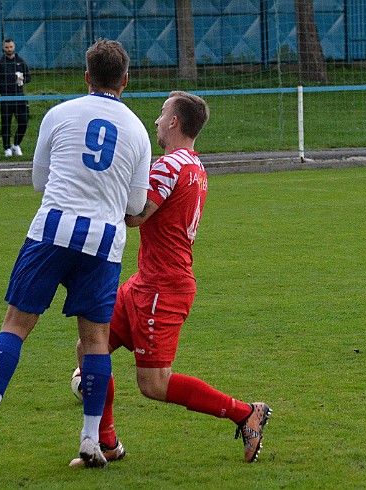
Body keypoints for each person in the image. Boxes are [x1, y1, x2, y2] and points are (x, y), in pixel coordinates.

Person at [0, 39, 152, 469]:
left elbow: (39, 182)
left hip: (52, 229)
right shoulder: (138, 130)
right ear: (125, 80)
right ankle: (89, 440)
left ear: (86, 77)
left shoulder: (59, 114)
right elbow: (136, 207)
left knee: (16, 324)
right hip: (103, 241)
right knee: (95, 342)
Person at [70, 91, 271, 467]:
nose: (157, 121)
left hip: (163, 289)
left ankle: (246, 412)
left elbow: (135, 217)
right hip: (145, 282)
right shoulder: (193, 164)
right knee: (89, 348)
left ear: (175, 122)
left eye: (162, 114)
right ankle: (107, 443)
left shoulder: (169, 166)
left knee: (154, 384)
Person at [0, 38, 31, 158]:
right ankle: (6, 147)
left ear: (14, 46)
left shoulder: (21, 62)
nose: (9, 49)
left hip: (20, 96)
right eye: (7, 47)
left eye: (11, 47)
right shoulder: (0, 63)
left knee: (23, 122)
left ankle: (16, 144)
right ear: (3, 48)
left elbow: (29, 77)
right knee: (6, 124)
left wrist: (23, 79)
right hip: (5, 97)